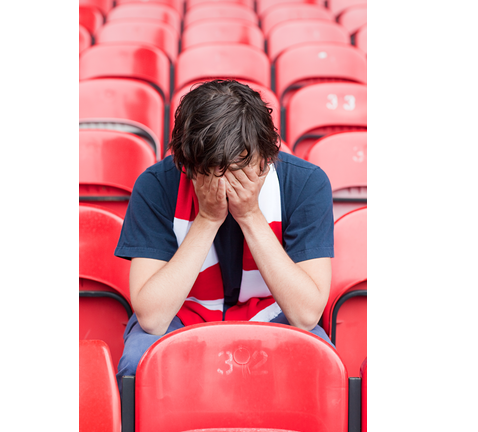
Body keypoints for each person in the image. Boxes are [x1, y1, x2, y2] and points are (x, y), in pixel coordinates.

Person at [114, 80, 334, 389]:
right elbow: (152, 318)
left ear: (266, 157)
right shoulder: (155, 184)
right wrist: (206, 219)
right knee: (140, 361)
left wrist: (250, 215)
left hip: (272, 309)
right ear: (187, 165)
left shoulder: (306, 183)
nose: (228, 184)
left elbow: (306, 314)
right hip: (184, 311)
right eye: (214, 172)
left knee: (320, 361)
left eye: (240, 170)